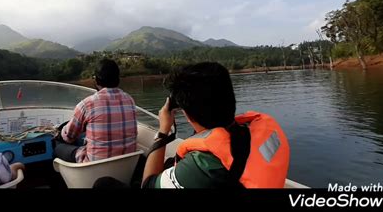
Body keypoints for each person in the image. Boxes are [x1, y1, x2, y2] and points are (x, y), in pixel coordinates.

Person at [142, 62, 290, 188]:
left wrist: (163, 130)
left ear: (186, 114)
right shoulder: (254, 130)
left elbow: (147, 184)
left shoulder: (203, 165)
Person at [55, 58, 138, 163]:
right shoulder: (130, 100)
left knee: (57, 146)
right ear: (118, 79)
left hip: (93, 167)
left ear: (96, 80)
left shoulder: (87, 105)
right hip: (126, 166)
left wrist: (59, 133)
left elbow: (69, 137)